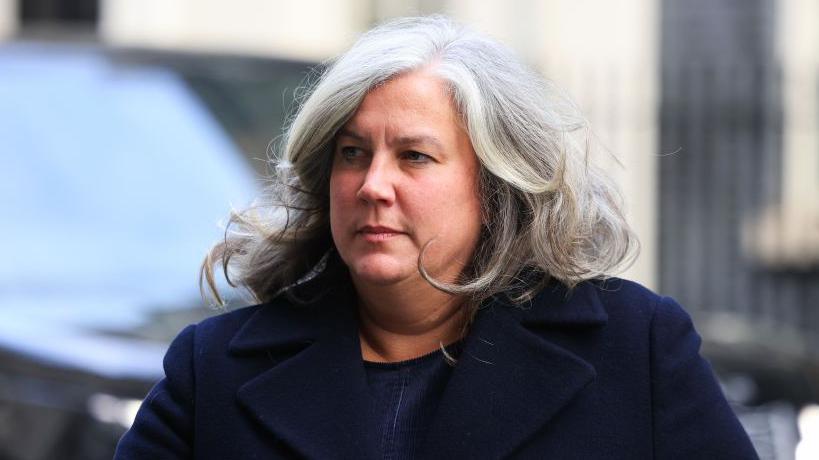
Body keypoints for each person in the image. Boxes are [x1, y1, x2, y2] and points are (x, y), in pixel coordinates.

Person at [115, 16, 758, 459]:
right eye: (352, 153)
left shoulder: (634, 349)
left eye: (415, 157)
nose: (373, 185)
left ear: (496, 183)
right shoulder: (215, 370)